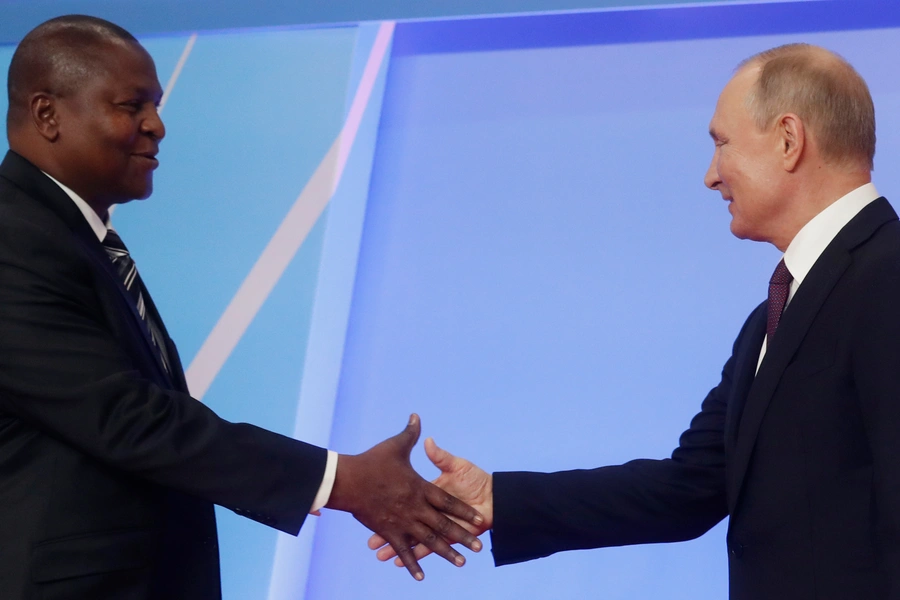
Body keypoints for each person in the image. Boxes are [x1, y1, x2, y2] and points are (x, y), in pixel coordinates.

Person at [370, 44, 900, 599]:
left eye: (722, 144)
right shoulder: (772, 316)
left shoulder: (888, 277)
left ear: (788, 140)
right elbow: (688, 489)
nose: (710, 176)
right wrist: (496, 499)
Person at [0, 14, 484, 600]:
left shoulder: (69, 237)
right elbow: (127, 418)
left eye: (155, 104)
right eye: (132, 106)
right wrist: (343, 480)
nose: (156, 126)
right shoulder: (14, 239)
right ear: (47, 114)